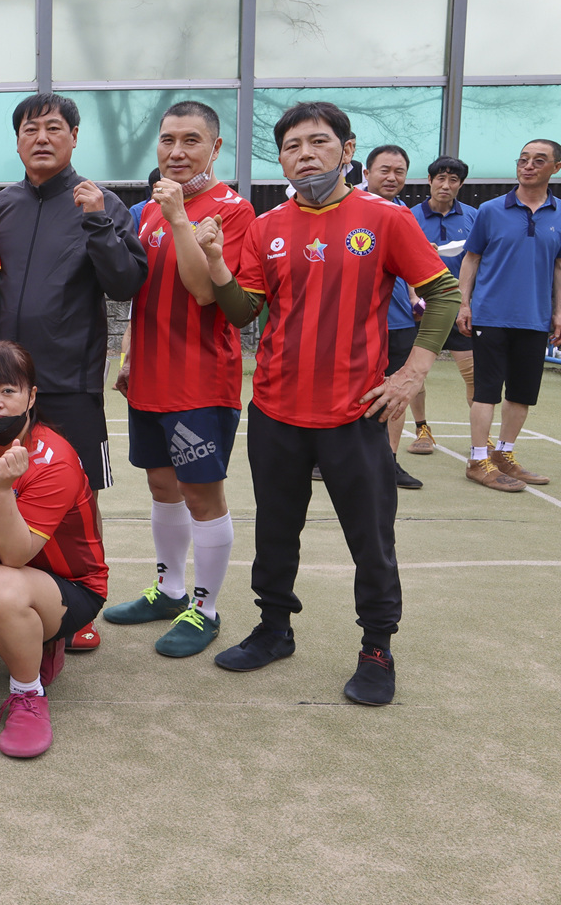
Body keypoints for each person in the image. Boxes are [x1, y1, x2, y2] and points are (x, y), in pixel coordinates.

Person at [196, 101, 460, 706]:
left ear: (347, 149)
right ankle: (274, 628)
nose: (305, 154)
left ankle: (377, 648)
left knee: (371, 538)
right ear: (281, 159)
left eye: (318, 142)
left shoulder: (385, 218)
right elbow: (242, 312)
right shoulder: (266, 226)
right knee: (275, 529)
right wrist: (215, 262)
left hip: (355, 413)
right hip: (275, 411)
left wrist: (411, 373)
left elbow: (443, 294)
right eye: (292, 146)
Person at [0, 92, 148, 652]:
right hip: (2, 388)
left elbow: (126, 282)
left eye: (54, 128)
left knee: (80, 496)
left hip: (70, 383)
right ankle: (11, 599)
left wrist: (97, 221)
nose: (42, 138)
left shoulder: (100, 202)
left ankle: (81, 603)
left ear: (74, 137)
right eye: (30, 129)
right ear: (17, 141)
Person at [106, 101, 254, 657]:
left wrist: (179, 218)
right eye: (168, 140)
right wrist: (128, 358)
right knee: (161, 487)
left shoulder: (233, 211)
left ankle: (205, 609)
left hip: (199, 382)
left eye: (191, 140)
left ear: (215, 148)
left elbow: (204, 291)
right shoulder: (147, 209)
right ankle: (169, 591)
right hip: (149, 377)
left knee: (201, 494)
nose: (176, 151)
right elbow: (140, 293)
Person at [0, 341, 106, 758]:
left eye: (8, 391)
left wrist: (1, 488)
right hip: (2, 569)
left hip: (69, 586)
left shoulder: (52, 458)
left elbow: (13, 556)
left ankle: (28, 693)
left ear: (31, 397)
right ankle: (35, 641)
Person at [457, 138, 561, 490]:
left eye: (539, 160)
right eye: (523, 159)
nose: (528, 166)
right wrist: (464, 304)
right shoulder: (490, 210)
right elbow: (471, 259)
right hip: (490, 316)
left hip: (535, 319)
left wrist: (560, 312)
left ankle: (503, 455)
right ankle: (478, 460)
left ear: (556, 168)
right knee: (486, 392)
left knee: (522, 393)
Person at [404, 156, 478, 459]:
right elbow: (403, 261)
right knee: (415, 374)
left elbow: (478, 262)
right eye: (440, 179)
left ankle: (481, 440)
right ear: (430, 180)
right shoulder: (410, 216)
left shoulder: (474, 217)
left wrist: (466, 303)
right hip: (422, 310)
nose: (446, 185)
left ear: (460, 184)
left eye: (453, 180)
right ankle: (422, 429)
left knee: (474, 376)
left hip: (460, 309)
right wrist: (413, 299)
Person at [365, 145, 426, 490]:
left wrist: (416, 299)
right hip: (355, 323)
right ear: (366, 173)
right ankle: (326, 458)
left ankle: (388, 461)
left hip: (399, 321)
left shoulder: (406, 215)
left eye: (399, 171)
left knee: (395, 393)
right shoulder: (348, 209)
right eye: (384, 170)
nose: (391, 177)